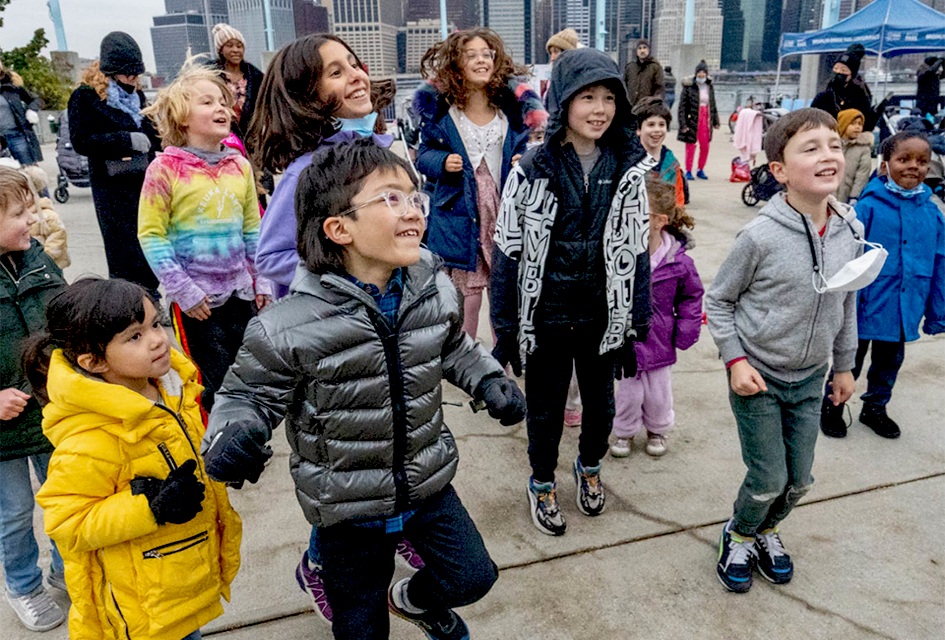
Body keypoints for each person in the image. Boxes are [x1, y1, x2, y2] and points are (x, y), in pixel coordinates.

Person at [200, 139, 525, 640]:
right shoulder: (288, 325)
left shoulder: (432, 287)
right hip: (347, 509)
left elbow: (453, 346)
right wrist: (232, 434)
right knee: (360, 626)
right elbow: (246, 396)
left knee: (472, 576)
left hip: (427, 482)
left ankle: (414, 600)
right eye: (390, 199)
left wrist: (487, 379)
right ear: (339, 228)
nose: (413, 210)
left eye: (415, 197)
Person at [492, 47, 652, 537]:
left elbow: (639, 248)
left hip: (602, 319)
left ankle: (589, 469)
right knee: (544, 412)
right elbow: (506, 251)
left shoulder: (628, 170)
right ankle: (541, 481)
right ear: (563, 100)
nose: (599, 108)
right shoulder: (532, 168)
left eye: (609, 97)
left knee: (601, 411)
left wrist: (636, 322)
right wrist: (503, 328)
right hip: (546, 320)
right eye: (587, 97)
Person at [29, 278, 241, 640]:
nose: (158, 339)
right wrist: (150, 508)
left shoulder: (172, 390)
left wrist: (223, 459)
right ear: (93, 362)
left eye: (155, 323)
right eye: (135, 336)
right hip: (141, 609)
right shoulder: (89, 437)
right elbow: (68, 523)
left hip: (180, 581)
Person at [705, 108, 862, 593]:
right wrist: (735, 360)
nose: (828, 155)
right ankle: (740, 532)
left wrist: (844, 366)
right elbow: (719, 300)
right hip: (759, 379)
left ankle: (768, 530)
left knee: (800, 481)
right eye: (810, 148)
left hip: (811, 377)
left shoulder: (849, 230)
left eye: (833, 145)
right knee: (768, 477)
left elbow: (847, 298)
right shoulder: (759, 236)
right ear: (779, 170)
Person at [137, 64, 268, 413]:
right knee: (214, 383)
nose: (221, 108)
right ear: (182, 118)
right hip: (198, 303)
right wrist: (184, 291)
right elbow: (151, 235)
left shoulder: (239, 166)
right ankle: (217, 454)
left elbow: (253, 229)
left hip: (242, 294)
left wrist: (262, 282)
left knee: (249, 375)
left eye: (223, 102)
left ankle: (248, 442)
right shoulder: (164, 169)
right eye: (208, 103)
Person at [414, 27, 546, 339]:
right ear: (455, 64)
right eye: (471, 55)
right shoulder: (444, 112)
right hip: (461, 212)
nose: (481, 60)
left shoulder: (510, 109)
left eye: (486, 54)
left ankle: (504, 356)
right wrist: (442, 163)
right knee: (467, 301)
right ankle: (466, 357)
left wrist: (522, 159)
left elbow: (531, 149)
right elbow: (423, 154)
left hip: (503, 210)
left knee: (506, 295)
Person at [821, 131, 945, 439]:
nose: (913, 167)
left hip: (905, 307)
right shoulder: (866, 209)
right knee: (849, 359)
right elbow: (842, 254)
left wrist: (936, 313)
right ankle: (832, 405)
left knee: (889, 364)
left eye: (922, 161)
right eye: (903, 159)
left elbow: (941, 263)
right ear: (885, 164)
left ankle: (875, 407)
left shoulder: (932, 213)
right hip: (865, 305)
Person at [252, 33, 394, 299]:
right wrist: (345, 275)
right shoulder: (306, 171)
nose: (355, 75)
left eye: (354, 64)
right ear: (306, 96)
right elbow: (270, 256)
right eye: (337, 72)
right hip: (328, 324)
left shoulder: (376, 154)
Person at [0, 166, 67, 632]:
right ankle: (23, 585)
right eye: (21, 213)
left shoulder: (38, 259)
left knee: (65, 496)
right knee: (15, 512)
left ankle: (69, 571)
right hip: (4, 428)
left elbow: (64, 317)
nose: (33, 220)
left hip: (51, 409)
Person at [610, 178, 703, 458]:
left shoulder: (679, 262)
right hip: (624, 338)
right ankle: (624, 431)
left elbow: (692, 297)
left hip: (660, 338)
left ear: (659, 220)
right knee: (627, 391)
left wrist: (686, 328)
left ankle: (657, 429)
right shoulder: (619, 253)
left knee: (658, 393)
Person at [67, 32, 161, 297]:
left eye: (136, 73)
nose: (133, 79)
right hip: (112, 186)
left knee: (148, 239)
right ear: (110, 70)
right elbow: (82, 140)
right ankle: (128, 303)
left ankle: (152, 296)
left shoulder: (138, 96)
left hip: (144, 180)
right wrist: (125, 139)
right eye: (127, 73)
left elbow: (152, 137)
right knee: (122, 247)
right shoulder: (85, 97)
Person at [211, 23, 264, 141]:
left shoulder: (256, 77)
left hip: (253, 137)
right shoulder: (210, 76)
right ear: (221, 50)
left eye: (239, 46)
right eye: (229, 46)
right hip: (221, 137)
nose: (235, 50)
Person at [634, 97, 689, 205]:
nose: (657, 130)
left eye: (662, 125)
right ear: (638, 130)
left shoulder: (672, 165)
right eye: (651, 125)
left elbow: (679, 203)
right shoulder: (628, 161)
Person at [811, 44, 876, 129]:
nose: (838, 72)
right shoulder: (823, 97)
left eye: (843, 70)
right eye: (836, 68)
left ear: (851, 75)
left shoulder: (860, 97)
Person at [21, 166, 70, 269]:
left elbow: (58, 239)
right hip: (25, 265)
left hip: (47, 266)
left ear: (35, 193)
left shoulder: (47, 216)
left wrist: (44, 259)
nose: (21, 198)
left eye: (25, 194)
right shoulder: (16, 215)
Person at [677, 60, 719, 181]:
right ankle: (688, 170)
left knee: (705, 146)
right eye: (699, 72)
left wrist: (715, 121)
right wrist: (683, 124)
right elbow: (682, 107)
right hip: (693, 118)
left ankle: (701, 169)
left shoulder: (709, 87)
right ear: (696, 74)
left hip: (706, 118)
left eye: (703, 72)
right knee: (691, 145)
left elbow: (713, 104)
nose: (701, 75)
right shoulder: (688, 87)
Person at [0, 63, 43, 166]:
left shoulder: (12, 88)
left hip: (17, 136)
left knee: (29, 170)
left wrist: (32, 110)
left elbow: (36, 100)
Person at [835, 109, 873, 204]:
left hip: (848, 197)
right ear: (843, 125)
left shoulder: (863, 148)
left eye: (860, 124)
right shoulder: (832, 145)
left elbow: (862, 175)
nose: (857, 127)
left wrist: (855, 196)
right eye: (853, 124)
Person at [623, 38, 664, 110]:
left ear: (648, 50)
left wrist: (654, 102)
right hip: (630, 108)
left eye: (644, 48)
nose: (642, 51)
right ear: (636, 51)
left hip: (647, 108)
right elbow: (624, 86)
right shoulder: (630, 67)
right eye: (639, 48)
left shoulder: (655, 67)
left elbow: (659, 88)